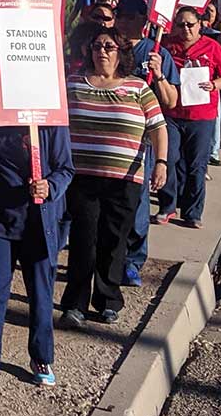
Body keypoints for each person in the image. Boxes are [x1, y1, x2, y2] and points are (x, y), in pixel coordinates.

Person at [0, 80, 73, 403]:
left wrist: (50, 186)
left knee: (41, 296)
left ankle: (41, 355)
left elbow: (66, 168)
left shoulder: (51, 115)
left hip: (38, 222)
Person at [59, 30, 168, 327]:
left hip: (125, 179)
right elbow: (53, 123)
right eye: (96, 45)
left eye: (108, 46)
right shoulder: (71, 84)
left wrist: (161, 163)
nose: (101, 52)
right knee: (84, 240)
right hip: (82, 177)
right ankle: (75, 303)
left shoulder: (137, 88)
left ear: (121, 52)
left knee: (114, 240)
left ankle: (108, 299)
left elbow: (158, 127)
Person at [114, 0, 179, 287]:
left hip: (142, 142)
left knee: (138, 207)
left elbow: (171, 102)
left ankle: (132, 261)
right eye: (120, 15)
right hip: (109, 139)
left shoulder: (156, 52)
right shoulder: (105, 48)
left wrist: (160, 74)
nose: (124, 21)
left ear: (144, 20)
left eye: (131, 16)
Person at [161, 6, 221, 229]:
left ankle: (192, 212)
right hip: (172, 113)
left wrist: (214, 85)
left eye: (190, 24)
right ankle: (167, 206)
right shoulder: (166, 45)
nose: (186, 29)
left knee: (196, 165)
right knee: (169, 159)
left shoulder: (212, 47)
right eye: (181, 25)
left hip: (201, 115)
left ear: (200, 24)